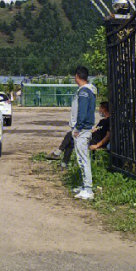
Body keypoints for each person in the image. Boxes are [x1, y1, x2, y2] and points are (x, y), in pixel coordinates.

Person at [69, 66, 98, 200]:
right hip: (85, 129)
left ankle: (88, 189)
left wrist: (78, 128)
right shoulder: (88, 90)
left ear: (76, 76)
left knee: (83, 159)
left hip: (82, 130)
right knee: (82, 158)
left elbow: (82, 111)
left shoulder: (83, 92)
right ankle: (84, 185)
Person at [52, 101, 110, 165]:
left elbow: (108, 136)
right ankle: (63, 162)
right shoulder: (102, 121)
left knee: (70, 136)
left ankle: (59, 154)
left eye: (100, 108)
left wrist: (97, 145)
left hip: (94, 142)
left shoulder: (109, 121)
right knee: (71, 138)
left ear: (104, 109)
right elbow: (94, 130)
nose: (99, 110)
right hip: (89, 138)